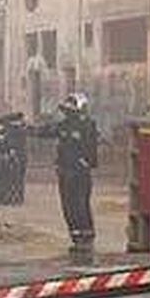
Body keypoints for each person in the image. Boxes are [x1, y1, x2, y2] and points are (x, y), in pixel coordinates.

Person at [37, 93, 99, 265]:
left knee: (80, 204)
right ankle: (76, 237)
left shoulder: (87, 125)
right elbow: (47, 131)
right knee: (68, 206)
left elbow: (92, 152)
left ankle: (86, 238)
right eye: (66, 109)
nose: (67, 112)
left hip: (80, 173)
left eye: (71, 108)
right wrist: (27, 128)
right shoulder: (63, 125)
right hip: (65, 171)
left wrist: (84, 163)